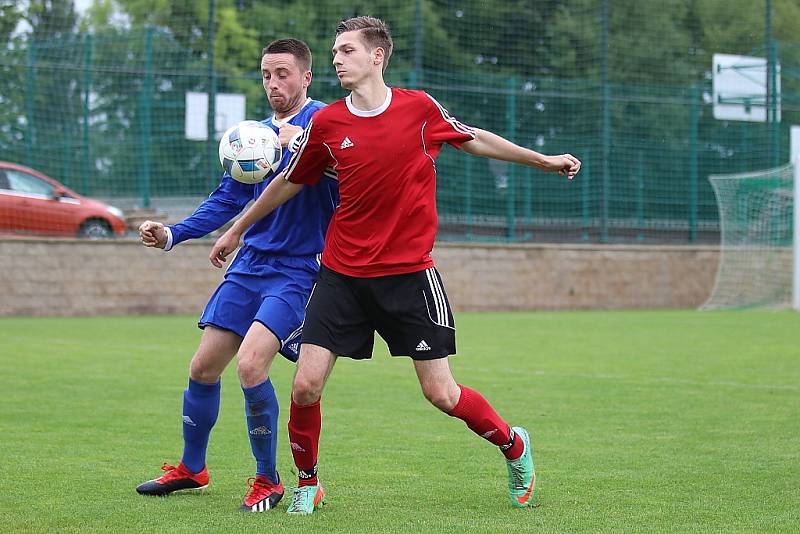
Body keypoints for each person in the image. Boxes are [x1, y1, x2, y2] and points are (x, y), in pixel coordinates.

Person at [210, 17, 581, 515]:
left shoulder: (419, 109)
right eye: (335, 51)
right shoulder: (327, 124)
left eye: (346, 51)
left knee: (441, 393)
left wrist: (544, 160)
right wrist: (236, 229)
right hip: (342, 275)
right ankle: (308, 482)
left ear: (377, 57)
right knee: (304, 384)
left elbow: (475, 138)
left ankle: (513, 444)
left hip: (408, 275)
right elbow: (287, 182)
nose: (337, 59)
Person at [135, 38, 338, 513]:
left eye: (283, 73)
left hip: (299, 269)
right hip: (250, 265)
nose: (273, 83)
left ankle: (268, 480)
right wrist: (173, 233)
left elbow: (351, 169)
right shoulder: (254, 137)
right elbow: (228, 199)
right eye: (266, 74)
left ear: (306, 77)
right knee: (203, 367)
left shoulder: (327, 122)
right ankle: (192, 468)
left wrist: (301, 143)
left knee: (251, 366)